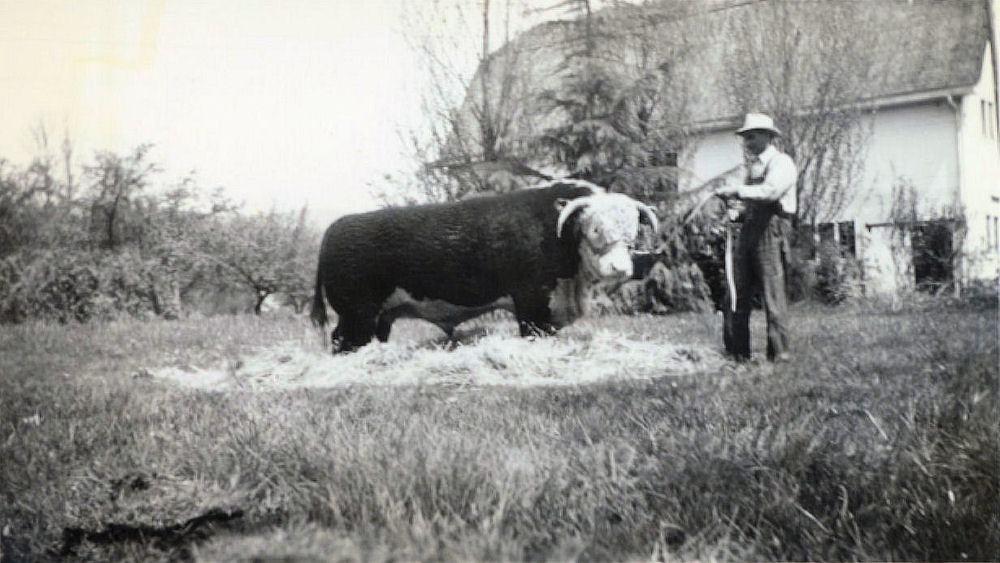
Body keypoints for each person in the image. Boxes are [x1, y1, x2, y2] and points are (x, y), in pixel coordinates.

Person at [713, 112, 797, 362]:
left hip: (772, 231)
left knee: (772, 295)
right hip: (749, 231)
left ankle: (779, 354)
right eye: (745, 137)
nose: (747, 142)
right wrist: (735, 213)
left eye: (752, 136)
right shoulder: (752, 168)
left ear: (768, 137)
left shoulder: (782, 163)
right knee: (736, 294)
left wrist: (736, 191)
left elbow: (771, 192)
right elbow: (751, 201)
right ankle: (737, 353)